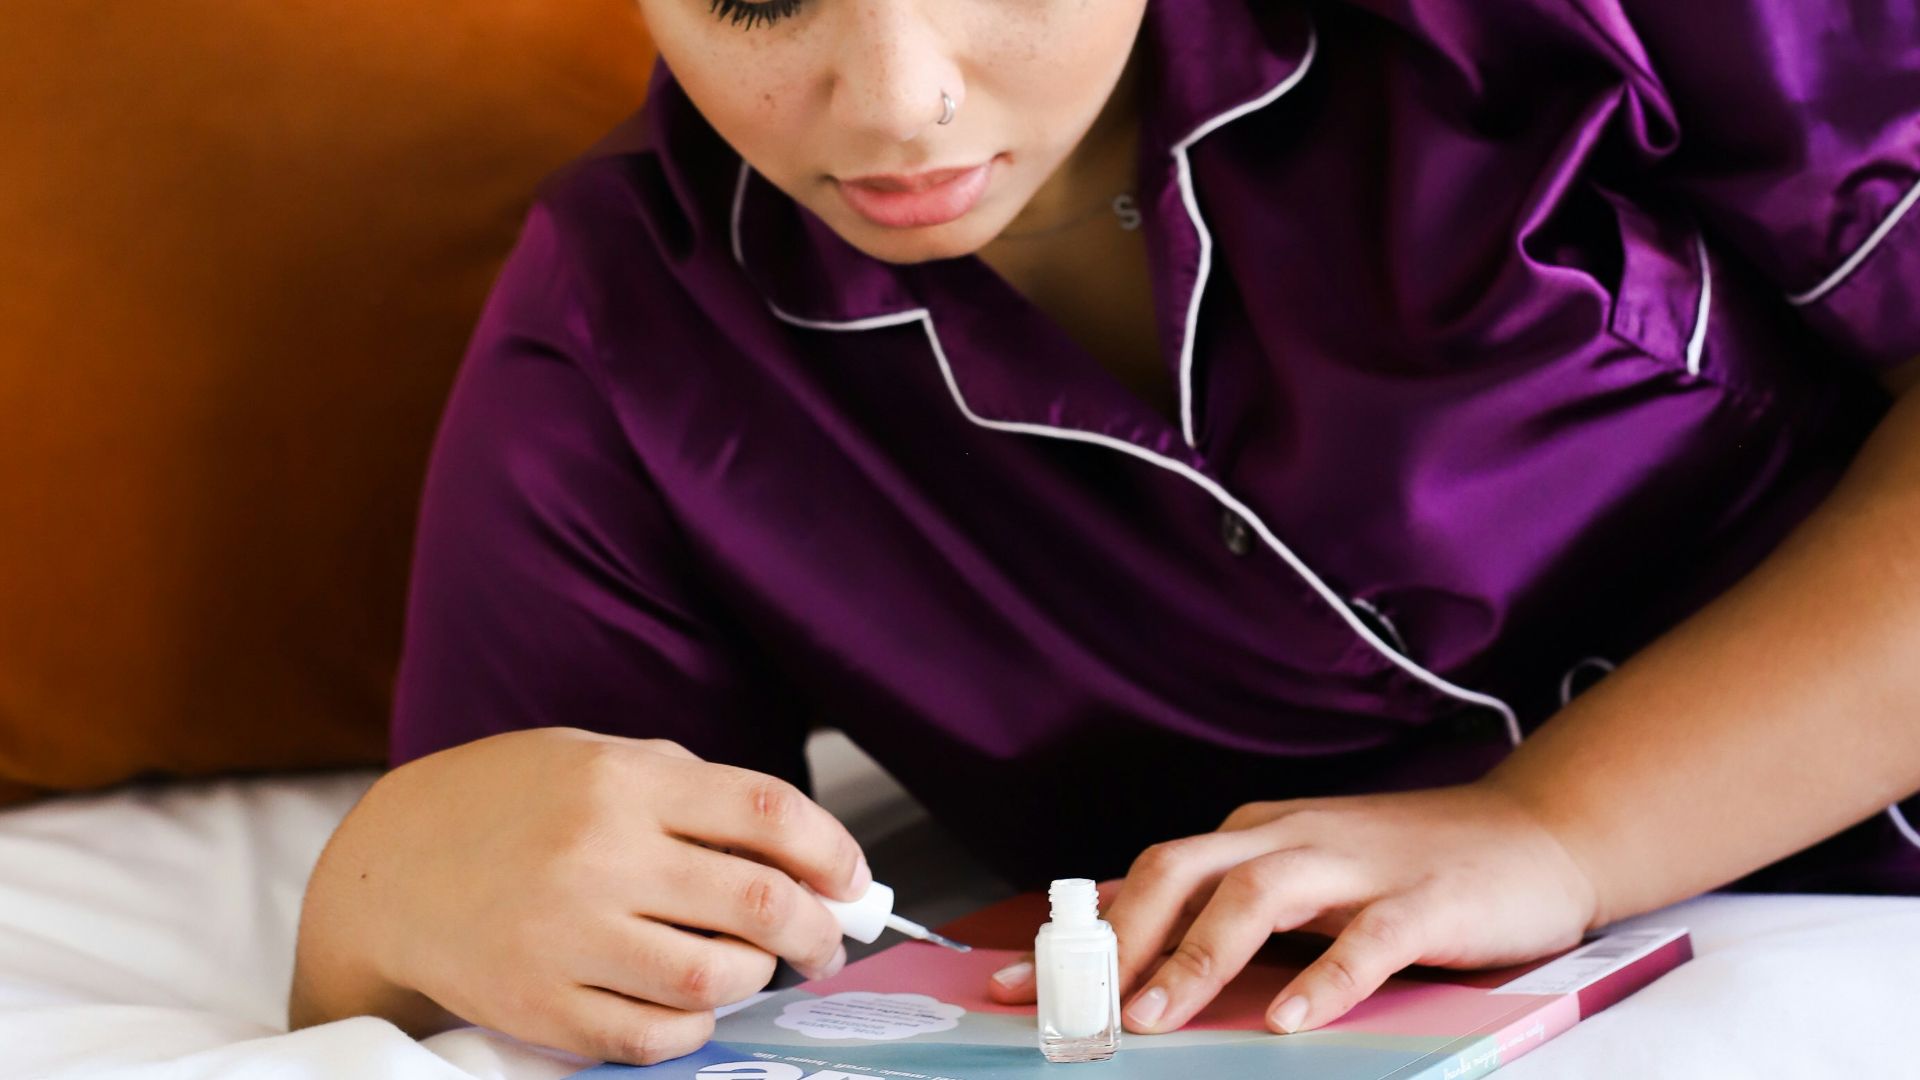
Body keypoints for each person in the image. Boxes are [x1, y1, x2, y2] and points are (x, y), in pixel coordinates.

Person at [288, 0, 1920, 1065]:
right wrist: (378, 899)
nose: (902, 103)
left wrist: (1563, 830)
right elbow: (518, 939)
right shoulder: (619, 338)